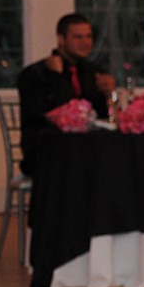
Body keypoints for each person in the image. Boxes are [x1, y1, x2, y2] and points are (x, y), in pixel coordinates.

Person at [16, 13, 115, 176]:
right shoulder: (35, 74)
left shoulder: (93, 72)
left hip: (86, 151)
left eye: (89, 36)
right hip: (46, 153)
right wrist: (56, 77)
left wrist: (107, 93)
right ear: (61, 39)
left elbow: (100, 118)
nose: (85, 43)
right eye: (78, 37)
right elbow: (53, 113)